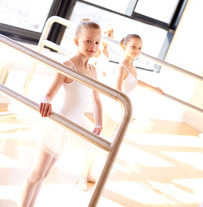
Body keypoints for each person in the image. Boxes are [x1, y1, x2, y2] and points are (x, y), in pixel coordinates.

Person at [19, 19, 103, 207]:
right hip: (57, 125)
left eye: (97, 42)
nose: (93, 46)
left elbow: (96, 100)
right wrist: (45, 101)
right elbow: (48, 94)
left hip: (70, 127)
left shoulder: (93, 70)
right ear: (76, 42)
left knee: (45, 175)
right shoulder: (67, 66)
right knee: (36, 174)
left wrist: (98, 123)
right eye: (88, 41)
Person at [116, 34, 163, 122]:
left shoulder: (133, 68)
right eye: (133, 46)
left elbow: (134, 81)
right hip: (119, 107)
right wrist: (125, 111)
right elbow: (117, 90)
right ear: (124, 47)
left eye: (139, 48)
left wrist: (153, 88)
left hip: (127, 105)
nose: (136, 50)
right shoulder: (122, 67)